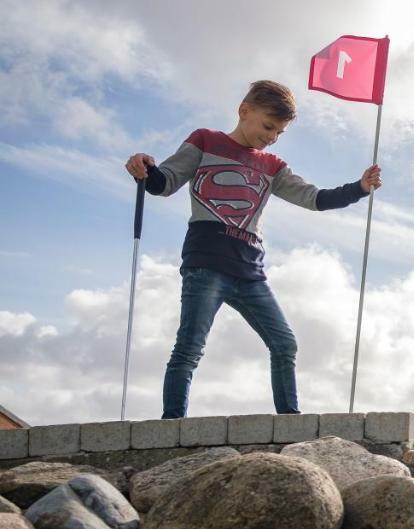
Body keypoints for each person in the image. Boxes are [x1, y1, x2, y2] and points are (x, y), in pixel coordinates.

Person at [123, 80, 381, 419]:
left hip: (250, 272)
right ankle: (172, 424)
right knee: (189, 347)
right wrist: (145, 166)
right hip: (206, 264)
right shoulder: (205, 141)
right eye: (268, 126)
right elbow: (164, 182)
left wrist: (359, 188)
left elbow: (314, 198)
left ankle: (289, 421)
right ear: (245, 111)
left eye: (280, 132)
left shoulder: (272, 166)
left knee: (284, 343)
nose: (272, 136)